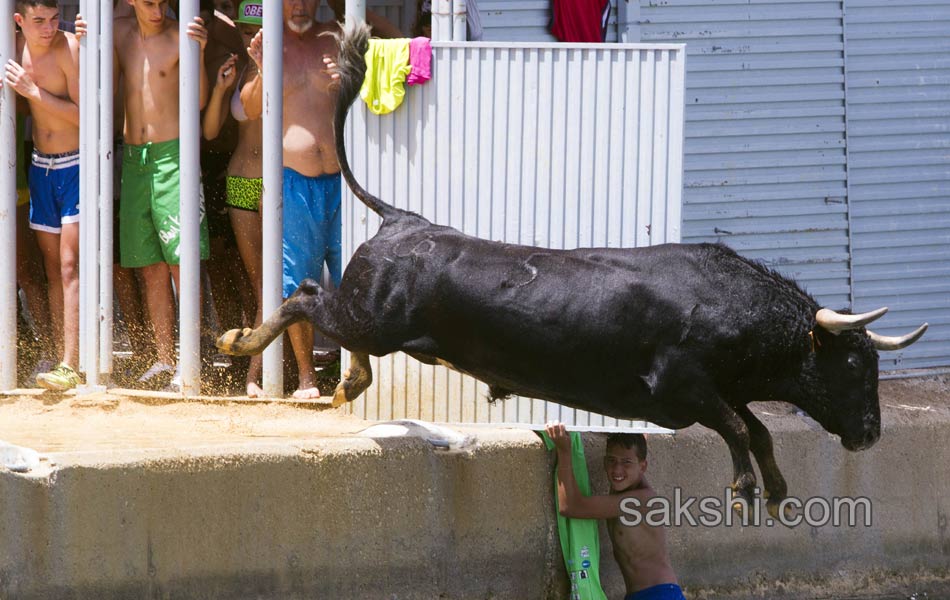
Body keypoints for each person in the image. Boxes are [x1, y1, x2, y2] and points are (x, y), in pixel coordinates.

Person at [239, 0, 345, 399]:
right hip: (293, 183)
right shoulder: (271, 43)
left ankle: (355, 370)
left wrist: (350, 78)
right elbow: (248, 107)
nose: (299, 5)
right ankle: (306, 378)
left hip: (340, 181)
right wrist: (263, 69)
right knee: (296, 285)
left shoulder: (334, 35)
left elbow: (372, 91)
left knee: (355, 276)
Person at [107, 0, 211, 390]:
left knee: (181, 263)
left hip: (173, 155)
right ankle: (165, 360)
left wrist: (198, 53)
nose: (158, 9)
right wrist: (80, 32)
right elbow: (76, 43)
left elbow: (198, 100)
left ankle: (190, 360)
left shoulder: (178, 32)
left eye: (163, 2)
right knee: (150, 265)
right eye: (149, 2)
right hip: (134, 158)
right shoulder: (118, 32)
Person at [5, 0, 82, 391]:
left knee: (70, 265)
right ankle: (57, 354)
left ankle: (73, 361)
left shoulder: (70, 48)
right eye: (39, 21)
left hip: (76, 164)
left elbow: (87, 116)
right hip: (40, 167)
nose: (48, 28)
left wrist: (32, 92)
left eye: (54, 19)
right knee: (53, 269)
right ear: (19, 20)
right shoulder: (10, 48)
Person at [544, 421, 686, 600]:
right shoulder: (627, 482)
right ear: (604, 460)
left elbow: (570, 507)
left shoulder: (641, 500)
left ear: (643, 467)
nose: (617, 469)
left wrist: (564, 450)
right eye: (611, 460)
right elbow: (627, 438)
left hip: (660, 595)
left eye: (626, 462)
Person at [202, 0, 264, 396]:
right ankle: (254, 374)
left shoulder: (286, 67)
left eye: (255, 30)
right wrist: (222, 88)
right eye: (243, 30)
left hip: (281, 183)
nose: (249, 38)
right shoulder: (236, 68)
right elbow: (209, 132)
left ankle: (259, 374)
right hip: (242, 181)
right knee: (259, 284)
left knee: (279, 282)